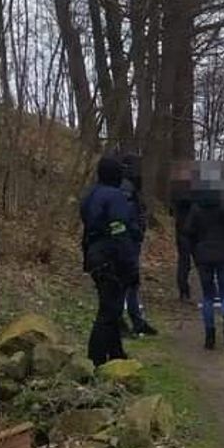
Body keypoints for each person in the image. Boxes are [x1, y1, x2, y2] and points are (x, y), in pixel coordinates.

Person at [80, 155, 139, 366]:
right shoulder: (115, 197)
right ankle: (95, 359)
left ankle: (116, 354)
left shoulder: (90, 195)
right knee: (109, 310)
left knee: (111, 306)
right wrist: (130, 263)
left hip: (94, 254)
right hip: (111, 256)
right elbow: (120, 229)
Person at [185, 186, 224, 350]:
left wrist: (195, 256)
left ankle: (210, 335)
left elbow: (189, 234)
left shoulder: (196, 208)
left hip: (204, 256)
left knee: (207, 297)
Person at [120, 153, 158, 337]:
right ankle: (127, 322)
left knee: (132, 283)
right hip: (127, 243)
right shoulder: (126, 188)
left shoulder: (130, 188)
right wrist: (136, 231)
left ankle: (136, 320)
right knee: (127, 282)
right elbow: (126, 215)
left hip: (131, 241)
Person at [169, 160, 195, 302]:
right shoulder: (196, 192)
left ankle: (183, 290)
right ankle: (201, 290)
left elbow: (171, 212)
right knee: (196, 261)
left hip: (181, 229)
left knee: (183, 261)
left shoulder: (176, 192)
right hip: (194, 231)